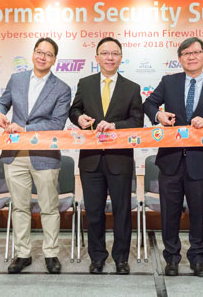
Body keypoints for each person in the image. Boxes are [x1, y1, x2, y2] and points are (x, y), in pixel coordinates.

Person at [143, 37, 203, 277]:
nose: (191, 57)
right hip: (170, 161)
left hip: (200, 162)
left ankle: (197, 258)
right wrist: (158, 116)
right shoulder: (168, 82)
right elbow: (149, 104)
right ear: (180, 59)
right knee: (169, 214)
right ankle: (171, 258)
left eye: (196, 52)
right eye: (185, 53)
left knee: (199, 213)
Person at [0, 37, 71, 274]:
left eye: (48, 54)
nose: (42, 56)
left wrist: (25, 129)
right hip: (15, 153)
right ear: (33, 54)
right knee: (19, 207)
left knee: (49, 206)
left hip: (44, 155)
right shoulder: (17, 79)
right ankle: (23, 253)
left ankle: (50, 254)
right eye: (39, 51)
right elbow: (1, 102)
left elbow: (57, 124)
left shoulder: (62, 88)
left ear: (54, 59)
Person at [69, 37, 143, 275]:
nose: (110, 57)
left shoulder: (132, 87)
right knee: (93, 211)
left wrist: (115, 126)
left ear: (121, 57)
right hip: (90, 160)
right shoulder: (85, 83)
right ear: (97, 57)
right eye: (105, 53)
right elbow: (74, 110)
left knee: (122, 211)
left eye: (115, 53)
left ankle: (121, 258)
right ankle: (97, 257)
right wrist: (78, 119)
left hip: (119, 159)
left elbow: (137, 121)